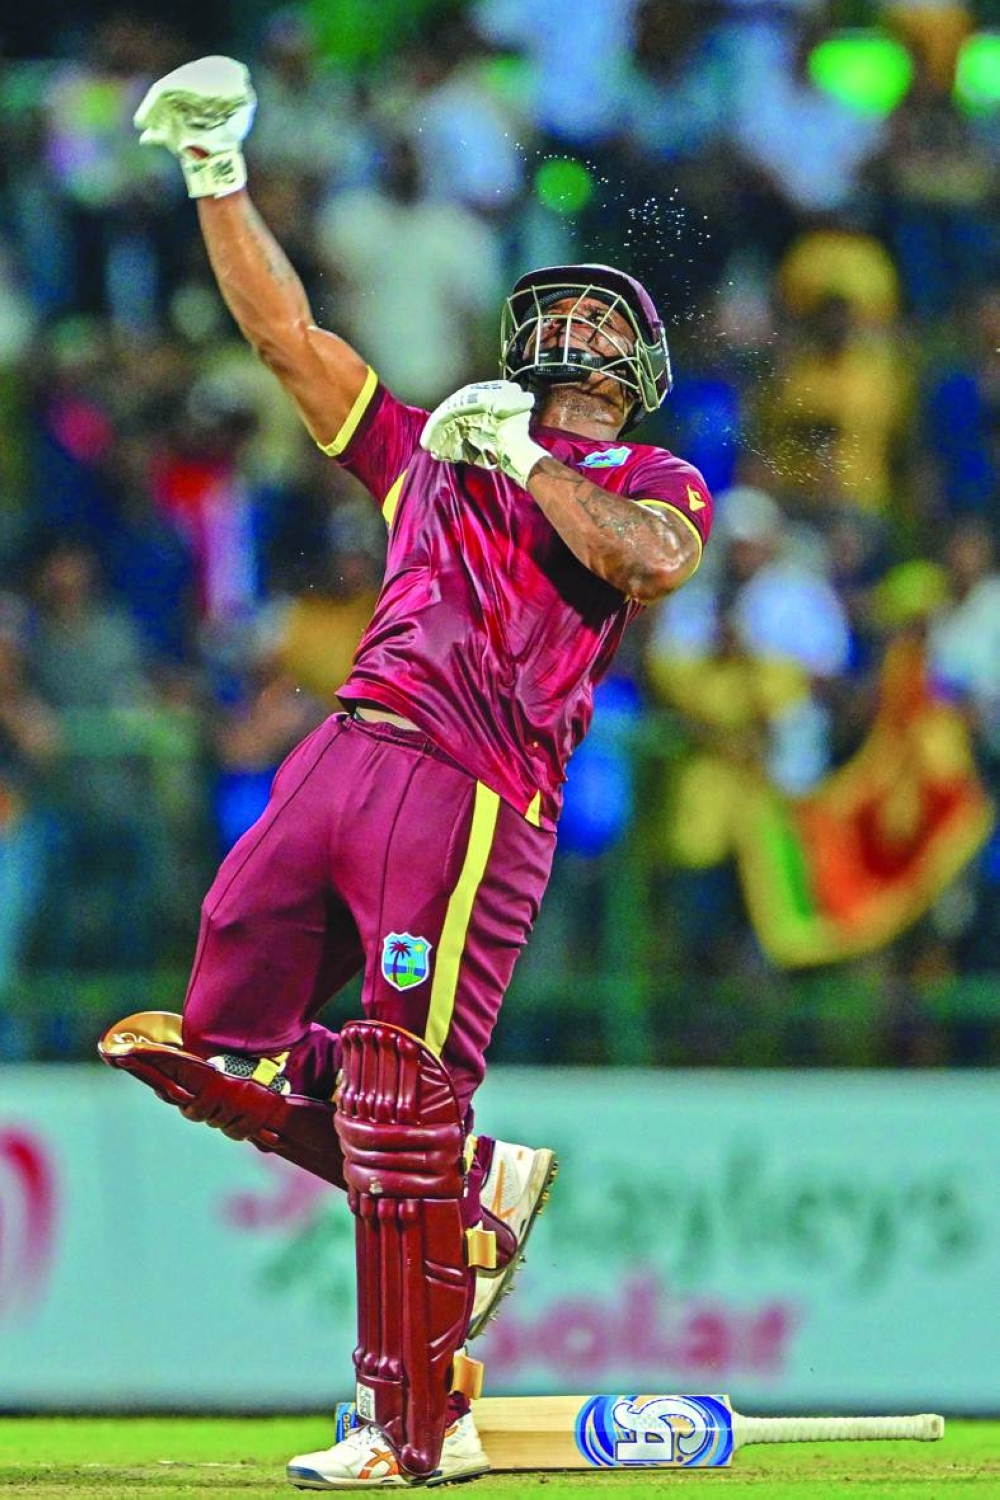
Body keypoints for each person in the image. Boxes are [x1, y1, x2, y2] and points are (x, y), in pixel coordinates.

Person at [107, 55, 711, 1491]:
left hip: (475, 788)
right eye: (551, 316)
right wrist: (218, 170)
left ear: (638, 369)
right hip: (346, 748)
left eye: (600, 320)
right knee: (209, 1042)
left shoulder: (650, 480)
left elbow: (648, 567)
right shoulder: (427, 454)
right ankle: (469, 1175)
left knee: (389, 1091)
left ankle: (408, 1428)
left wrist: (522, 460)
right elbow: (284, 332)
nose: (570, 328)